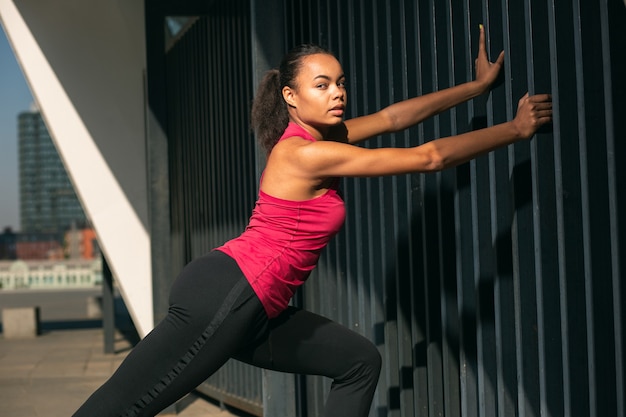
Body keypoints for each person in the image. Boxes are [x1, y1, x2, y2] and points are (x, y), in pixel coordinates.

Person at [73, 25, 552, 417]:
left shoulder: (322, 139)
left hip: (256, 308)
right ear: (291, 96)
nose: (337, 92)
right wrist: (514, 129)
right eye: (321, 85)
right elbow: (427, 157)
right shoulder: (306, 153)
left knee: (358, 361)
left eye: (340, 82)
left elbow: (391, 119)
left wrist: (476, 88)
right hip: (228, 295)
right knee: (122, 406)